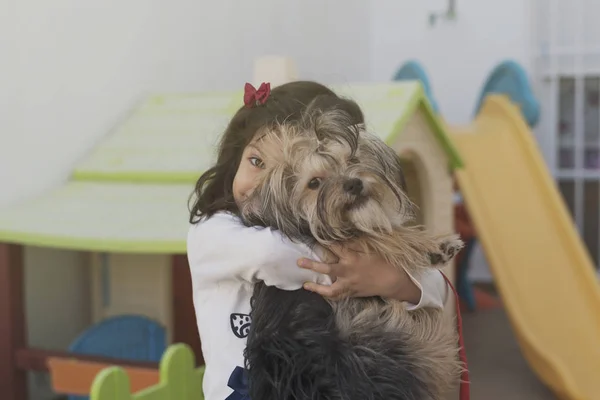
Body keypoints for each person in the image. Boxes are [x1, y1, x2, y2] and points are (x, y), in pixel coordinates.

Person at [187, 81, 449, 400]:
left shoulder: (323, 224)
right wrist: (360, 268)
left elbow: (437, 288)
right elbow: (269, 255)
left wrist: (392, 279)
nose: (266, 182)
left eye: (286, 170)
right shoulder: (212, 232)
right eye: (257, 162)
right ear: (234, 158)